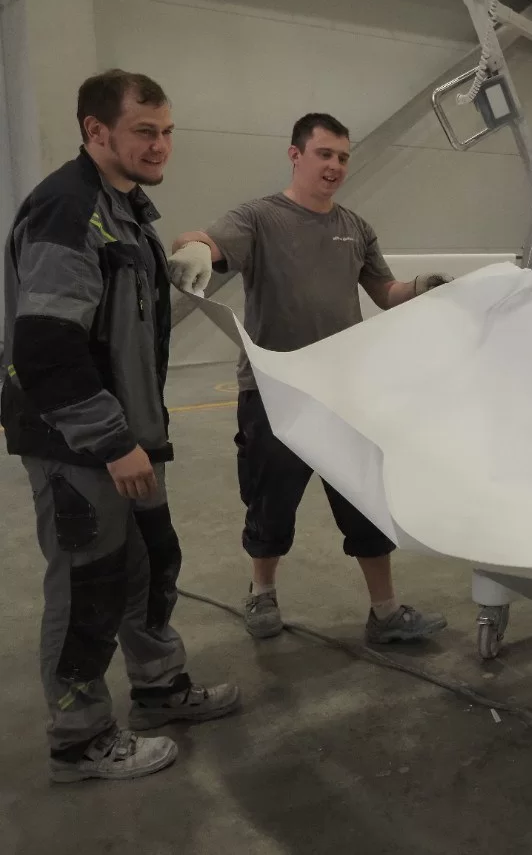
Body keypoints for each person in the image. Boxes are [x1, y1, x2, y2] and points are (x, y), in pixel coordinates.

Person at [1, 70, 241, 783]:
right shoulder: (68, 210)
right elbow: (46, 348)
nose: (161, 145)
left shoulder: (126, 209)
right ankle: (78, 739)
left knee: (152, 561)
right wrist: (111, 442)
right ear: (95, 131)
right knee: (90, 583)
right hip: (78, 443)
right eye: (144, 131)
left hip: (131, 432)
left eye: (167, 131)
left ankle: (159, 689)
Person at [166, 112, 452, 644]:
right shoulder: (259, 218)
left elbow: (385, 292)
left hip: (343, 393)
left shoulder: (356, 228)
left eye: (343, 157)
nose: (335, 166)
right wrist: (195, 249)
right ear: (295, 155)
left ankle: (386, 612)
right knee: (270, 502)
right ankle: (262, 593)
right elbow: (203, 238)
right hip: (274, 392)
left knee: (365, 503)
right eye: (324, 154)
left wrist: (422, 286)